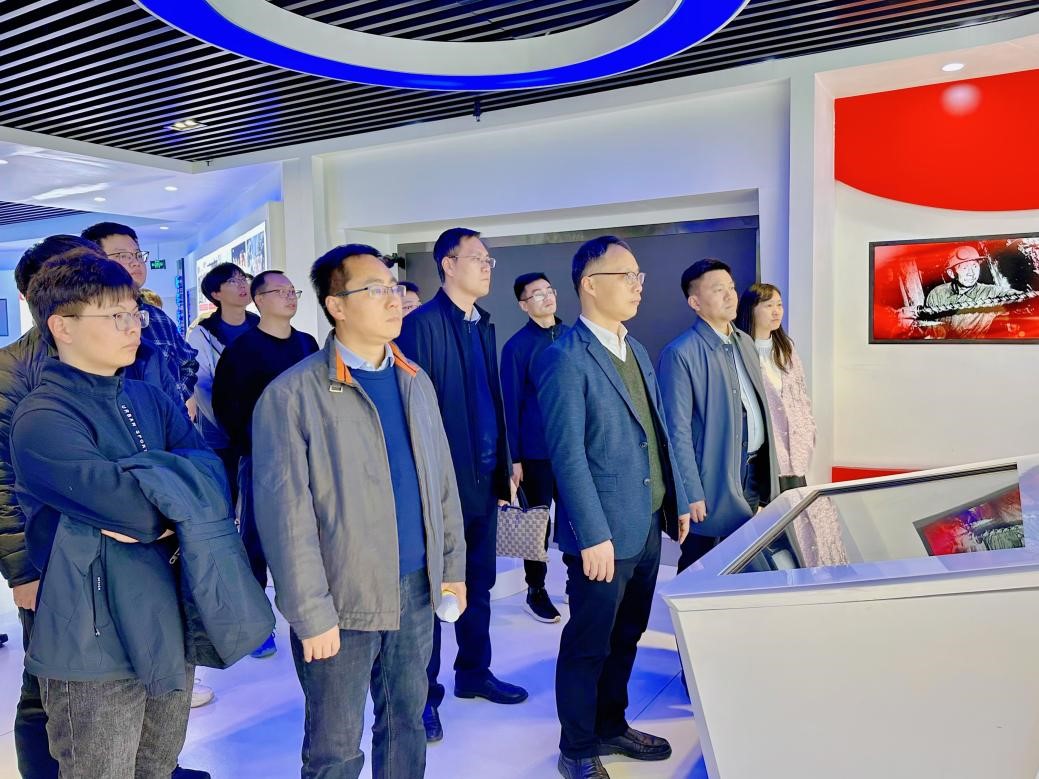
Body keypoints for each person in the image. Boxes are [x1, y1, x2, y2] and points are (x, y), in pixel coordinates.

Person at [9, 255, 235, 779]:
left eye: (134, 313)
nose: (134, 326)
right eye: (115, 316)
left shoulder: (148, 396)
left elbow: (213, 478)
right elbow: (135, 509)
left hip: (170, 610)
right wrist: (174, 498)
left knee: (158, 764)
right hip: (92, 629)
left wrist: (162, 494)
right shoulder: (43, 416)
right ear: (62, 327)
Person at [251, 245, 466, 779]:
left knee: (406, 723)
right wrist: (310, 613)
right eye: (376, 290)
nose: (394, 300)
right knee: (336, 747)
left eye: (394, 288)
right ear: (337, 306)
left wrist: (452, 567)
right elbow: (286, 519)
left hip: (416, 588)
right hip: (341, 599)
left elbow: (442, 484)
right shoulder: (292, 395)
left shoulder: (415, 380)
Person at [535, 236, 690, 779]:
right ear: (590, 284)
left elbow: (657, 433)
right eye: (626, 276)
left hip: (644, 523)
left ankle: (610, 725)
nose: (637, 286)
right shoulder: (564, 358)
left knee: (627, 634)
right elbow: (568, 456)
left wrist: (675, 499)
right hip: (601, 533)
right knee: (589, 643)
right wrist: (590, 534)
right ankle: (577, 748)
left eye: (638, 276)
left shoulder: (636, 349)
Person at [395, 228, 527, 743]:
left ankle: (474, 672)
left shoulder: (482, 323)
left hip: (483, 478)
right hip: (440, 487)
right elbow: (413, 413)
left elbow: (492, 400)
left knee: (480, 583)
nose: (487, 266)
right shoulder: (420, 326)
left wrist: (505, 464)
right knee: (435, 590)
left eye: (489, 259)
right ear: (448, 265)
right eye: (478, 258)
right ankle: (423, 697)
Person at [212, 270, 319, 659]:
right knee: (257, 542)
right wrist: (256, 447)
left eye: (293, 291)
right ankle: (258, 626)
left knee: (313, 537)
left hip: (311, 457)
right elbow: (227, 407)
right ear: (259, 299)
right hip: (263, 460)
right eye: (280, 291)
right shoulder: (242, 351)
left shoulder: (307, 344)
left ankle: (313, 615)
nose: (290, 297)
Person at [658, 259, 780, 573]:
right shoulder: (680, 353)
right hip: (712, 478)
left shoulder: (745, 342)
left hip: (752, 472)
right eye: (718, 290)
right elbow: (676, 432)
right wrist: (691, 492)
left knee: (742, 558)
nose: (730, 295)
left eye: (731, 288)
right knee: (700, 561)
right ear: (695, 302)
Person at [735, 283, 847, 567]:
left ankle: (806, 572)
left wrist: (808, 431)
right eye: (769, 305)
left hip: (795, 451)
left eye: (779, 305)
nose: (777, 312)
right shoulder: (741, 351)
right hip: (765, 455)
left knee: (802, 519)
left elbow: (800, 395)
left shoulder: (786, 348)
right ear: (751, 309)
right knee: (769, 523)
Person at [500, 272, 567, 623]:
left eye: (549, 290)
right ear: (523, 305)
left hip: (573, 449)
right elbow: (509, 405)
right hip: (535, 452)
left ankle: (576, 582)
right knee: (537, 523)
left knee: (576, 518)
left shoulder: (573, 337)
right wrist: (514, 458)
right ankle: (535, 589)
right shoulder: (517, 347)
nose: (547, 297)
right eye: (537, 294)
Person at [81, 223, 199, 414]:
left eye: (137, 255)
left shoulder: (158, 317)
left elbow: (188, 363)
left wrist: (171, 400)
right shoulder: (87, 321)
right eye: (123, 256)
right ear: (94, 262)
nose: (135, 262)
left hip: (168, 426)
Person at [186, 263, 259, 504]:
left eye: (243, 279)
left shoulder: (258, 325)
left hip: (259, 424)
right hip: (221, 432)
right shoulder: (203, 333)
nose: (242, 285)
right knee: (229, 490)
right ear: (215, 294)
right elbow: (202, 385)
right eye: (232, 281)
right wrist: (226, 426)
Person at [918, 246, 1006, 338]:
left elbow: (1013, 299)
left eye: (975, 266)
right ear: (951, 273)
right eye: (964, 268)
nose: (971, 273)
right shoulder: (937, 295)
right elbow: (929, 330)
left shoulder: (991, 293)